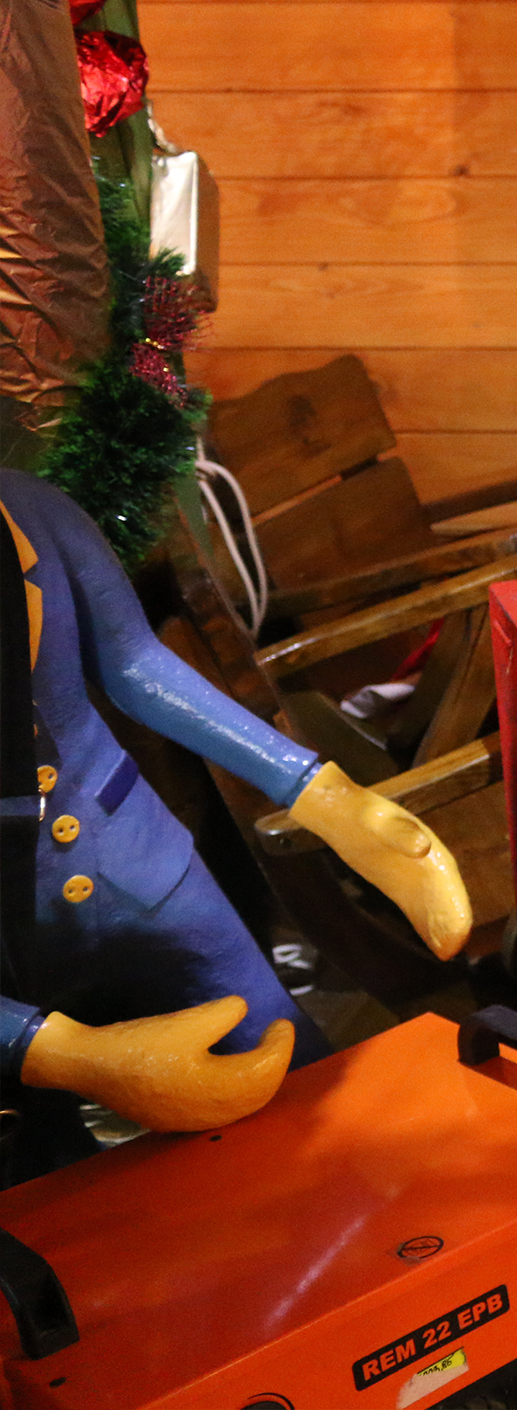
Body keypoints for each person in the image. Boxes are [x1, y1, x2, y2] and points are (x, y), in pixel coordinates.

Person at [0, 471, 469, 1182]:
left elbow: (135, 662)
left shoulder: (28, 508)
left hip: (137, 865)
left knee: (290, 1066)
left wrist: (325, 796)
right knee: (47, 1184)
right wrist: (58, 1055)